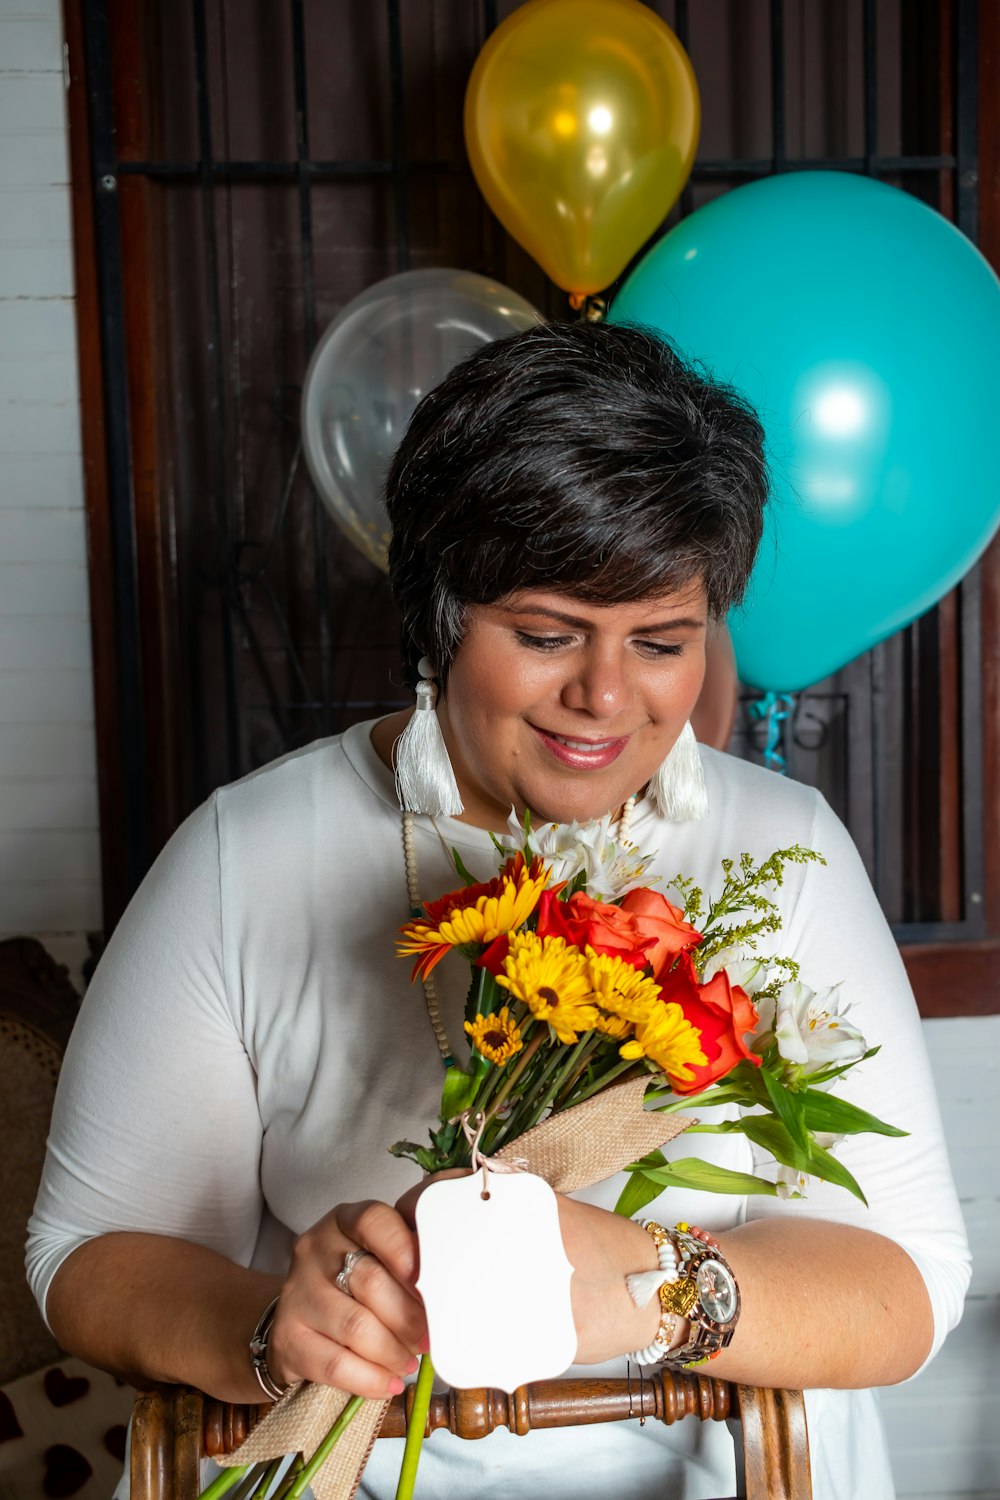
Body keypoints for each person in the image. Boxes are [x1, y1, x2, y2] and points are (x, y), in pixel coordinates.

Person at [28, 321, 969, 1500]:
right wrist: (272, 1329)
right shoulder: (245, 854)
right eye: (542, 635)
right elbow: (86, 1258)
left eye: (662, 642)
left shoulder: (785, 849)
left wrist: (655, 1280)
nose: (606, 696)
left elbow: (910, 1283)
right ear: (435, 613)